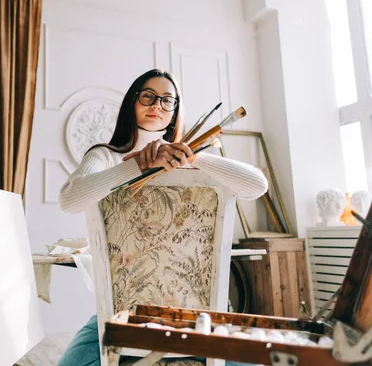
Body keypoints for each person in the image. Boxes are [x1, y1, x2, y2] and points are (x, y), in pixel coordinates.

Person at [57, 69, 268, 366]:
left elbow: (257, 185)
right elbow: (69, 199)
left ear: (175, 111)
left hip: (198, 320)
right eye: (148, 96)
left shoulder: (193, 159)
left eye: (167, 100)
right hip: (122, 314)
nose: (157, 105)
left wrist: (193, 155)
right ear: (132, 102)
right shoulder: (106, 156)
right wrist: (139, 166)